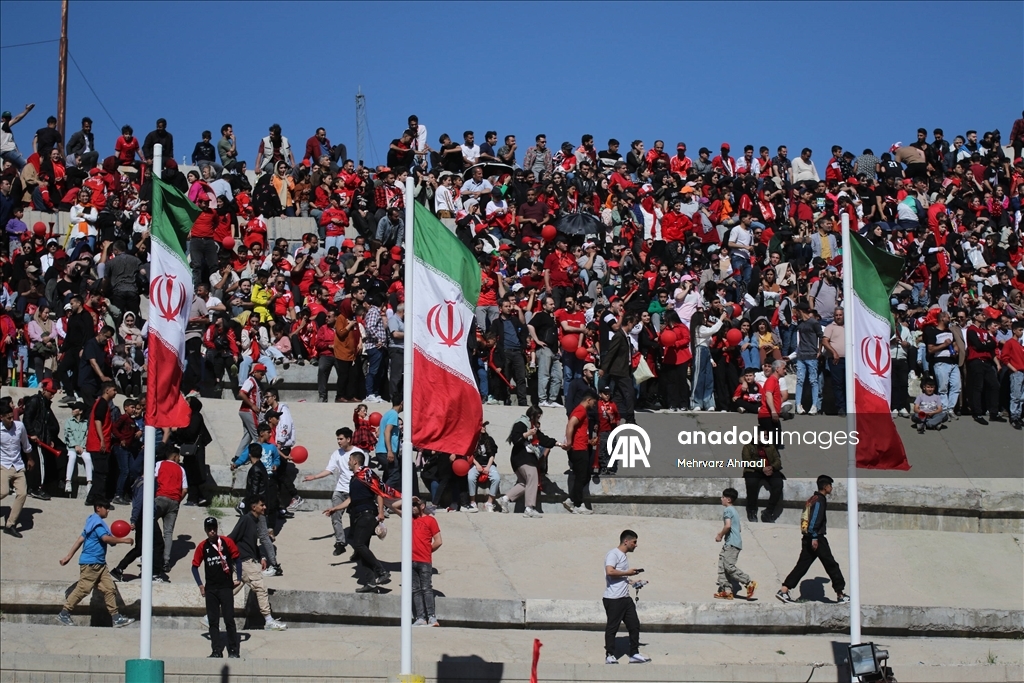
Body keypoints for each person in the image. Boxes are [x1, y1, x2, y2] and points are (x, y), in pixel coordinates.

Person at [57, 498, 135, 627]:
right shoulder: (97, 523)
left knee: (110, 589)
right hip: (91, 564)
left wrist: (68, 556)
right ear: (98, 508)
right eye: (106, 507)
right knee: (83, 589)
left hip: (100, 564)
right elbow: (105, 538)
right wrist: (124, 540)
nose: (108, 510)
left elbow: (80, 539)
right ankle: (64, 613)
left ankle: (116, 618)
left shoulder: (91, 521)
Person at [322, 450, 392, 592]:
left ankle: (382, 571)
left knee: (358, 544)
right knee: (361, 549)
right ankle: (371, 582)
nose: (348, 463)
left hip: (367, 514)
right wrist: (335, 509)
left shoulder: (367, 474)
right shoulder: (355, 479)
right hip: (358, 515)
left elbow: (378, 492)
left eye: (349, 460)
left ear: (355, 461)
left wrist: (380, 512)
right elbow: (351, 500)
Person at [776, 475, 849, 604]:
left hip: (808, 537)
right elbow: (814, 520)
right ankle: (840, 594)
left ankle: (784, 589)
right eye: (830, 486)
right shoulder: (819, 500)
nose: (831, 488)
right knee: (831, 565)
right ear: (826, 486)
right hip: (816, 539)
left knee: (802, 566)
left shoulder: (812, 499)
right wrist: (814, 537)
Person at [227, 494, 287, 630]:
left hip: (248, 560)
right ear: (254, 507)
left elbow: (251, 543)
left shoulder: (255, 521)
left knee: (232, 589)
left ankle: (209, 615)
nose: (264, 507)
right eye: (262, 505)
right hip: (244, 561)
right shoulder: (245, 520)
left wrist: (262, 557)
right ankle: (269, 620)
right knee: (260, 587)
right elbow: (231, 538)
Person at [192, 517, 242, 658]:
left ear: (217, 528)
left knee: (229, 619)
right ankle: (216, 651)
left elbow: (237, 559)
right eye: (209, 529)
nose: (212, 531)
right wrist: (200, 585)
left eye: (214, 528)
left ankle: (233, 650)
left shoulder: (226, 542)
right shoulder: (203, 546)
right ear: (205, 530)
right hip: (211, 589)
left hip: (226, 587)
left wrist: (238, 578)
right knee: (213, 621)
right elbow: (194, 566)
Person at [305, 427, 358, 556]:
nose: (339, 441)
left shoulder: (358, 453)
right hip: (340, 490)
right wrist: (315, 477)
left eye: (341, 439)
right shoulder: (336, 454)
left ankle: (358, 547)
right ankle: (340, 543)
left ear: (348, 439)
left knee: (356, 519)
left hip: (354, 490)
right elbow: (329, 470)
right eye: (337, 439)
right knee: (335, 515)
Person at [498, 405, 557, 518]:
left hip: (523, 459)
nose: (539, 419)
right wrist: (527, 434)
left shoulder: (533, 428)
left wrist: (558, 444)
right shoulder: (520, 424)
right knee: (532, 476)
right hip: (522, 457)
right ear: (532, 415)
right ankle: (529, 508)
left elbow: (544, 439)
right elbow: (515, 439)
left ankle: (505, 499)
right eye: (538, 417)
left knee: (524, 483)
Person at [603, 529, 651, 664]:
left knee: (634, 625)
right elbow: (610, 571)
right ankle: (610, 655)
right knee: (612, 627)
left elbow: (620, 576)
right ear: (626, 541)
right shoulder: (613, 554)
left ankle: (634, 653)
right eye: (634, 542)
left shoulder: (623, 556)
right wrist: (628, 573)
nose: (636, 545)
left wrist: (633, 582)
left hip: (625, 597)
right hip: (613, 599)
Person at [713, 488, 757, 600]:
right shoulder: (735, 511)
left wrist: (720, 535)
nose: (721, 499)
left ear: (728, 499)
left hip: (732, 543)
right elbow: (739, 528)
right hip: (731, 543)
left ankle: (748, 582)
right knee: (722, 567)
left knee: (728, 566)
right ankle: (727, 590)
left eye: (723, 497)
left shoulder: (728, 510)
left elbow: (728, 526)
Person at [154, 443, 188, 572]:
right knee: (168, 532)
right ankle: (166, 561)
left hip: (160, 499)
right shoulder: (181, 469)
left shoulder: (159, 464)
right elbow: (185, 490)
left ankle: (148, 554)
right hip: (174, 501)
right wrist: (178, 500)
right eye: (178, 457)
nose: (179, 459)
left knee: (149, 525)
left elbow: (151, 479)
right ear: (174, 457)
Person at [1, 401, 32, 537]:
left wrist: (30, 458)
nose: (11, 420)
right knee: (3, 492)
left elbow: (25, 444)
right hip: (3, 465)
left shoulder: (19, 426)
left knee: (22, 493)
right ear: (1, 417)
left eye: (12, 416)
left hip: (18, 465)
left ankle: (10, 524)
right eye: (8, 417)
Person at [564, 389, 597, 514]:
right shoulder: (581, 410)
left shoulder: (581, 410)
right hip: (578, 449)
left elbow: (578, 431)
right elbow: (571, 424)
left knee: (584, 476)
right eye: (593, 402)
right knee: (581, 476)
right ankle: (577, 504)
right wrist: (569, 442)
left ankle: (572, 500)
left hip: (581, 446)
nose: (594, 405)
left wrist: (588, 441)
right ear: (588, 400)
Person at [410, 497, 442, 627]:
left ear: (422, 506)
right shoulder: (409, 519)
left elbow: (438, 541)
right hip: (410, 561)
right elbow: (394, 506)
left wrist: (427, 550)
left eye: (414, 505)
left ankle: (432, 617)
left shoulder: (430, 520)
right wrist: (408, 498)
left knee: (426, 589)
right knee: (415, 590)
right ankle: (420, 617)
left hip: (424, 560)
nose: (411, 507)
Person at [85, 382, 118, 506]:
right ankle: (100, 500)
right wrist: (102, 440)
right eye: (114, 390)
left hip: (98, 444)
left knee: (101, 473)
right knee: (101, 474)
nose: (115, 393)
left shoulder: (102, 403)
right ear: (107, 390)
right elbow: (98, 421)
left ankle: (91, 498)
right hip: (98, 444)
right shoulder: (102, 403)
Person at [741, 427, 784, 523]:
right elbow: (747, 461)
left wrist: (771, 467)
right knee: (751, 484)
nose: (766, 437)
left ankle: (768, 512)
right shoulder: (748, 447)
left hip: (769, 469)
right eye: (764, 435)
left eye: (766, 435)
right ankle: (752, 510)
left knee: (778, 484)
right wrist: (761, 468)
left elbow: (778, 461)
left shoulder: (770, 446)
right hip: (754, 470)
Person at [466, 422, 500, 512]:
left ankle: (489, 502)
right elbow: (469, 454)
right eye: (481, 426)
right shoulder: (473, 440)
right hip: (475, 463)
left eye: (484, 426)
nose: (484, 428)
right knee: (470, 477)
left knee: (496, 478)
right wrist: (477, 465)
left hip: (488, 464)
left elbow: (492, 455)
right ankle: (472, 502)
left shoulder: (489, 439)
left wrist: (488, 467)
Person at [235, 363, 266, 460]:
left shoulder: (255, 382)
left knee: (248, 435)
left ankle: (238, 456)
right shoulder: (250, 380)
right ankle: (257, 456)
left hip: (247, 411)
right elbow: (241, 393)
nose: (262, 377)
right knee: (258, 435)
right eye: (261, 374)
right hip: (249, 411)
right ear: (255, 372)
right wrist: (252, 405)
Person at [63, 402, 91, 496]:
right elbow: (68, 434)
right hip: (71, 447)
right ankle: (68, 481)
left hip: (83, 447)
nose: (72, 410)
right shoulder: (69, 421)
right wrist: (75, 445)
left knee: (87, 458)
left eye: (75, 409)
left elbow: (87, 436)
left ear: (81, 411)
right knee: (72, 457)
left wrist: (82, 446)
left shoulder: (86, 423)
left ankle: (89, 483)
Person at [375, 399, 402, 490]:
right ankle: (382, 495)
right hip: (386, 451)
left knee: (387, 475)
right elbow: (387, 431)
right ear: (402, 403)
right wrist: (390, 451)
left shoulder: (387, 414)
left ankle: (382, 498)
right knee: (395, 476)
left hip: (381, 451)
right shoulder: (394, 414)